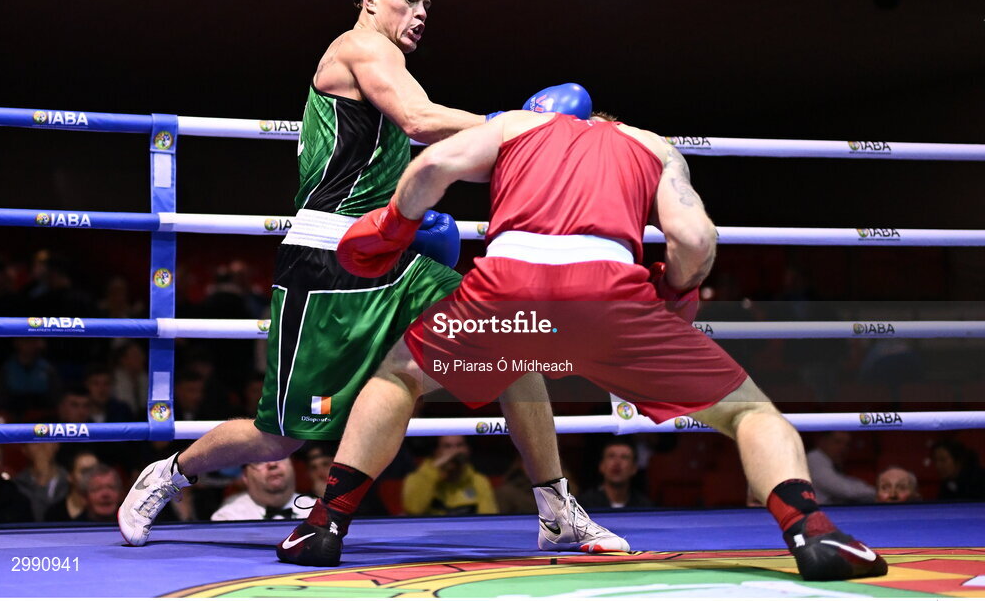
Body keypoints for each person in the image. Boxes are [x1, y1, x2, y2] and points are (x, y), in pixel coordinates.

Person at [120, 0, 624, 560]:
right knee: (279, 436)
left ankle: (556, 506)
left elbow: (455, 151)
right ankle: (170, 473)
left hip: (389, 256)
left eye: (425, 8)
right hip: (327, 260)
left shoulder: (389, 65)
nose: (417, 15)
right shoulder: (361, 47)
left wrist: (564, 143)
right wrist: (536, 130)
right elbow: (423, 121)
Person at [334, 109, 889, 582]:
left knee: (400, 378)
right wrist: (676, 287)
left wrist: (394, 227)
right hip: (609, 294)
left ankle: (323, 524)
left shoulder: (519, 126)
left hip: (508, 286)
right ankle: (812, 534)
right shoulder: (648, 144)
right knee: (750, 414)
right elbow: (695, 239)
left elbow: (430, 164)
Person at [402, 436, 497, 515]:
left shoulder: (478, 481)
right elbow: (414, 510)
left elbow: (488, 517)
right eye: (447, 446)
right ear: (436, 451)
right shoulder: (417, 478)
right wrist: (434, 470)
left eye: (459, 445)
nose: (454, 452)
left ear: (468, 450)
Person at [211, 458, 316, 521]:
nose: (272, 464)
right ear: (245, 476)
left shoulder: (321, 512)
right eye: (259, 461)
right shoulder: (227, 518)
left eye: (280, 456)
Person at [578, 438, 651, 510]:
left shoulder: (645, 507)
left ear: (634, 468)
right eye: (611, 456)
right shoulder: (582, 506)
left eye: (624, 457)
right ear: (601, 466)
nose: (617, 463)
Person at [806, 431, 876, 505]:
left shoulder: (832, 462)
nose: (842, 448)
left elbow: (848, 483)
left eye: (846, 445)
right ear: (823, 441)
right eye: (837, 442)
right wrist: (877, 493)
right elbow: (844, 489)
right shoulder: (814, 458)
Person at [14, 441, 68, 522]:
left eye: (46, 441)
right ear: (24, 449)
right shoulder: (16, 486)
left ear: (57, 444)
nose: (42, 447)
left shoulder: (71, 482)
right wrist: (42, 477)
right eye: (35, 442)